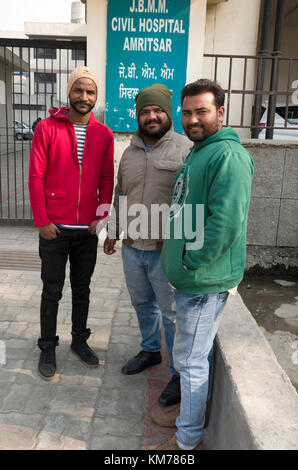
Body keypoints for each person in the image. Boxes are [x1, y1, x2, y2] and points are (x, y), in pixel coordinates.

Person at [149, 79, 254, 450]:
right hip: (191, 279)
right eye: (188, 112)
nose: (193, 119)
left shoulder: (229, 156)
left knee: (191, 363)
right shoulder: (200, 150)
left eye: (202, 111)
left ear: (221, 113)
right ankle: (187, 422)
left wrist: (190, 262)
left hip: (203, 282)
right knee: (189, 355)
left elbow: (226, 224)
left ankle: (187, 442)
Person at [104, 84, 191, 407]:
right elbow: (120, 193)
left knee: (171, 314)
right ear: (137, 116)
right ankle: (151, 350)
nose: (151, 116)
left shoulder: (185, 149)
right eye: (144, 111)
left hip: (165, 251)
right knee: (142, 304)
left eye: (157, 111)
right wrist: (112, 231)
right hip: (132, 247)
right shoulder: (129, 150)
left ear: (169, 114)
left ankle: (180, 373)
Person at [28, 66, 114, 381]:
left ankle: (79, 341)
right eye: (78, 90)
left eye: (90, 92)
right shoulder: (47, 128)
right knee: (51, 290)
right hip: (53, 228)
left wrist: (102, 217)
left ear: (96, 96)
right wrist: (41, 219)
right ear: (69, 91)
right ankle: (48, 346)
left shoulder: (103, 134)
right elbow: (35, 175)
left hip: (86, 230)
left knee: (82, 288)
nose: (84, 97)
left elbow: (107, 179)